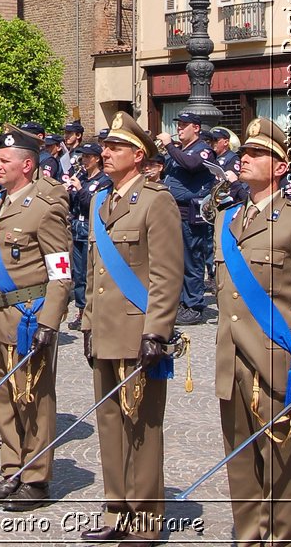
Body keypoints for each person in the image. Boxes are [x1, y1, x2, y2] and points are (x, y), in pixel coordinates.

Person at [81, 111, 183, 544]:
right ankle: (116, 507)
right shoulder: (99, 201)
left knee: (141, 425)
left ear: (138, 156)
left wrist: (156, 332)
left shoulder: (157, 200)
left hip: (138, 331)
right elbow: (93, 274)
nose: (105, 153)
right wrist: (86, 322)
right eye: (106, 146)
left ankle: (145, 517)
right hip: (104, 330)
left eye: (116, 147)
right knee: (109, 423)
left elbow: (166, 274)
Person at [214, 117, 291, 547]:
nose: (245, 159)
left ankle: (285, 539)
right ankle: (250, 536)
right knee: (240, 459)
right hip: (230, 357)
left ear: (280, 167)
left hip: (274, 359)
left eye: (257, 154)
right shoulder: (227, 220)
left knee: (279, 462)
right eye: (244, 153)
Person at [0, 127, 72, 511]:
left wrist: (49, 322)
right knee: (3, 400)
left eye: (4, 161)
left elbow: (61, 273)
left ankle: (36, 477)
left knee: (33, 400)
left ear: (27, 166)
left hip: (28, 317)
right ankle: (11, 468)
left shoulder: (44, 209)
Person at [156, 109, 215, 325]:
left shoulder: (203, 150)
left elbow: (192, 165)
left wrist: (170, 147)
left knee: (192, 260)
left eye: (184, 125)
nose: (179, 128)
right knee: (177, 261)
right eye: (178, 125)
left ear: (196, 128)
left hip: (190, 213)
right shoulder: (180, 151)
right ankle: (181, 301)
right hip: (173, 212)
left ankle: (194, 305)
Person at [64, 141, 112, 331]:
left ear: (97, 159)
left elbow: (95, 204)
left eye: (88, 157)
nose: (84, 161)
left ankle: (92, 310)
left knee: (88, 271)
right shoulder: (82, 177)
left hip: (90, 228)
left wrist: (79, 190)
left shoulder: (104, 180)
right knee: (78, 273)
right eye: (83, 157)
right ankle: (81, 310)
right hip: (76, 227)